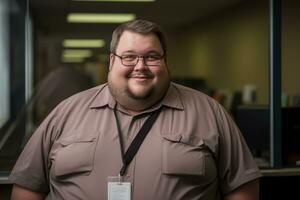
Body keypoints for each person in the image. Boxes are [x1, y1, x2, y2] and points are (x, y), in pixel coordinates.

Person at [9, 19, 261, 200]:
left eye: (152, 56)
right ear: (111, 61)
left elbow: (242, 189)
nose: (140, 66)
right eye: (129, 56)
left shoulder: (210, 113)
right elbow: (28, 187)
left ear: (164, 61)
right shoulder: (65, 113)